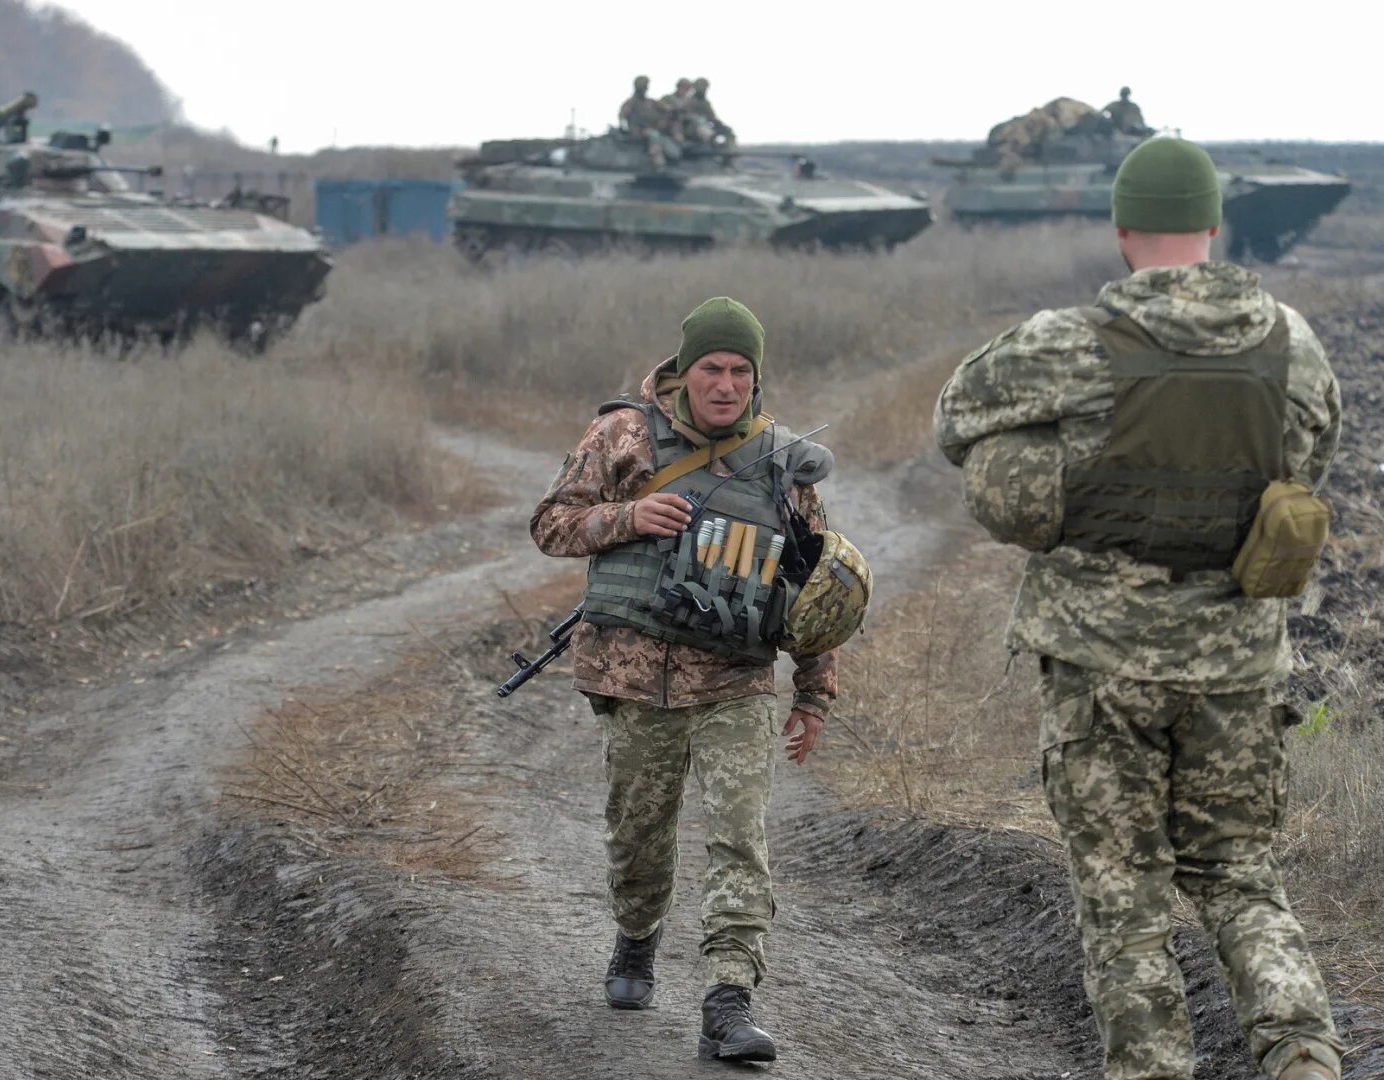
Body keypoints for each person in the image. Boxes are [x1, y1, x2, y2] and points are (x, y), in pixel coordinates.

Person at [934, 137, 1345, 1080]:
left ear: (1122, 232)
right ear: (1213, 224)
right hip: (1238, 663)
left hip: (1100, 666)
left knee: (1123, 896)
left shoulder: (1072, 340)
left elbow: (956, 418)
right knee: (1239, 873)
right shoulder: (1293, 343)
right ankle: (1299, 1049)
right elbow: (1307, 472)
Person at [530, 297, 840, 1064]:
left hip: (735, 681)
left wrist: (813, 692)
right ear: (683, 370)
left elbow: (815, 587)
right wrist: (629, 519)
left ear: (756, 378)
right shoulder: (621, 436)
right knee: (639, 835)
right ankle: (635, 939)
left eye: (741, 371)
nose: (727, 384)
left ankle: (728, 999)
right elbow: (550, 526)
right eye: (713, 368)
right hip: (634, 680)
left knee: (740, 838)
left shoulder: (783, 463)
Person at [618, 75, 676, 168]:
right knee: (654, 136)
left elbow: (666, 109)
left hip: (652, 128)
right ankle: (659, 162)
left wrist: (668, 113)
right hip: (639, 131)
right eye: (644, 86)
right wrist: (624, 128)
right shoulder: (631, 103)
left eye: (646, 86)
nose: (646, 89)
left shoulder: (651, 102)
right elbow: (622, 116)